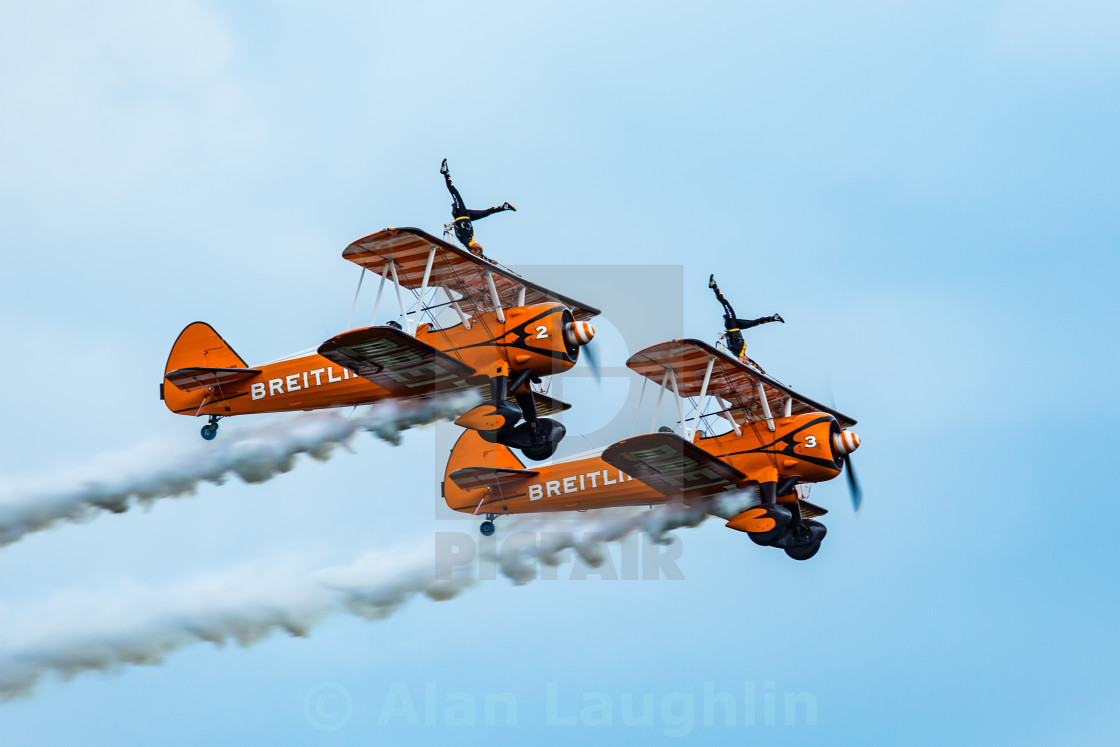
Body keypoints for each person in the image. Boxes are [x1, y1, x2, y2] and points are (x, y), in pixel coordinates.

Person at [441, 159, 516, 258]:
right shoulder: (472, 241)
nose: (477, 244)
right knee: (487, 212)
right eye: (479, 246)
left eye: (477, 247)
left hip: (460, 214)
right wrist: (490, 261)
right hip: (467, 216)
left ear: (472, 250)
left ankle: (445, 172)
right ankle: (504, 207)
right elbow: (481, 256)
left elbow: (477, 254)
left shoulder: (466, 241)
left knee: (455, 192)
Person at [709, 274, 784, 360]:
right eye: (747, 359)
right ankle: (773, 318)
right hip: (735, 327)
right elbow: (752, 362)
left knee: (725, 303)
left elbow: (741, 356)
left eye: (746, 360)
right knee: (753, 323)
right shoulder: (742, 353)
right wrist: (760, 370)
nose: (747, 359)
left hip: (731, 325)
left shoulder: (739, 354)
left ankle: (714, 287)